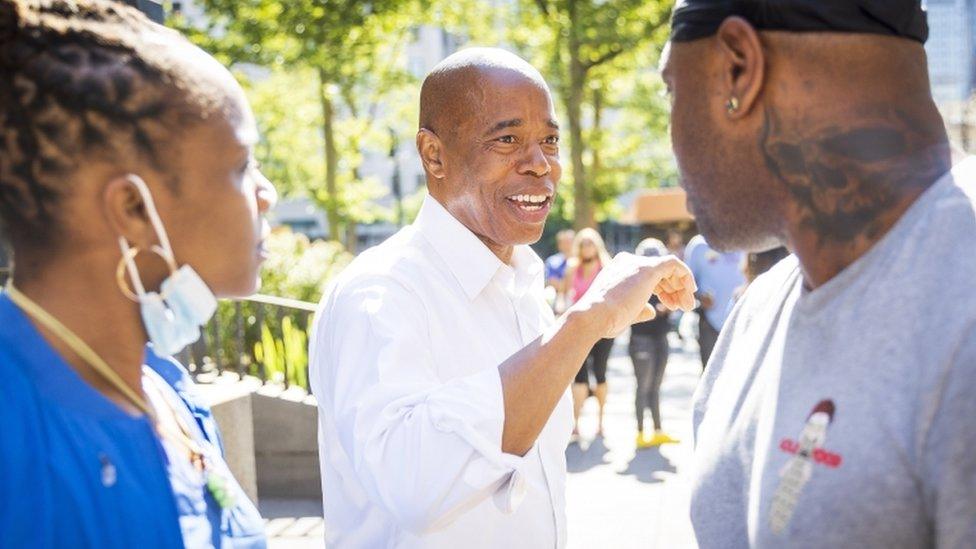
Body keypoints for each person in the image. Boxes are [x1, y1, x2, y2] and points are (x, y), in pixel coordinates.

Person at [309, 47, 697, 548]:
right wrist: (586, 319)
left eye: (550, 141)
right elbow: (416, 487)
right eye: (508, 139)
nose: (541, 165)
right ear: (434, 155)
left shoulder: (521, 288)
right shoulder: (378, 294)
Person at [662, 0, 976, 546]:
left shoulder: (961, 321)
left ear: (739, 67)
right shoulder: (756, 314)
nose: (670, 136)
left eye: (671, 90)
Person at [0, 0, 276, 547]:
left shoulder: (171, 393)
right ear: (132, 208)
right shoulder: (13, 426)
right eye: (243, 166)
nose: (267, 195)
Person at [629, 239, 680, 449]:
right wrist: (658, 309)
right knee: (643, 386)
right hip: (642, 339)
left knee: (656, 387)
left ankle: (658, 430)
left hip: (661, 337)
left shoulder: (665, 280)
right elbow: (633, 309)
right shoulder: (632, 280)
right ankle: (640, 432)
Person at [565, 228, 614, 438]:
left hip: (602, 330)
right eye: (583, 243)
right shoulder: (571, 268)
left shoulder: (606, 268)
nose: (587, 247)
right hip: (578, 330)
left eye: (590, 243)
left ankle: (601, 422)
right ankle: (575, 423)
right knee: (579, 377)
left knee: (600, 373)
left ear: (597, 245)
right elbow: (565, 297)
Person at [684, 234, 744, 369]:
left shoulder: (745, 240)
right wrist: (700, 296)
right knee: (711, 375)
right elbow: (685, 284)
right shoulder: (698, 245)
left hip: (741, 321)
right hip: (709, 323)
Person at [545, 228, 575, 313]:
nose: (567, 245)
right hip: (556, 295)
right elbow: (552, 282)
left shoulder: (580, 261)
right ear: (559, 245)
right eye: (564, 242)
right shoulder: (552, 261)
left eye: (569, 242)